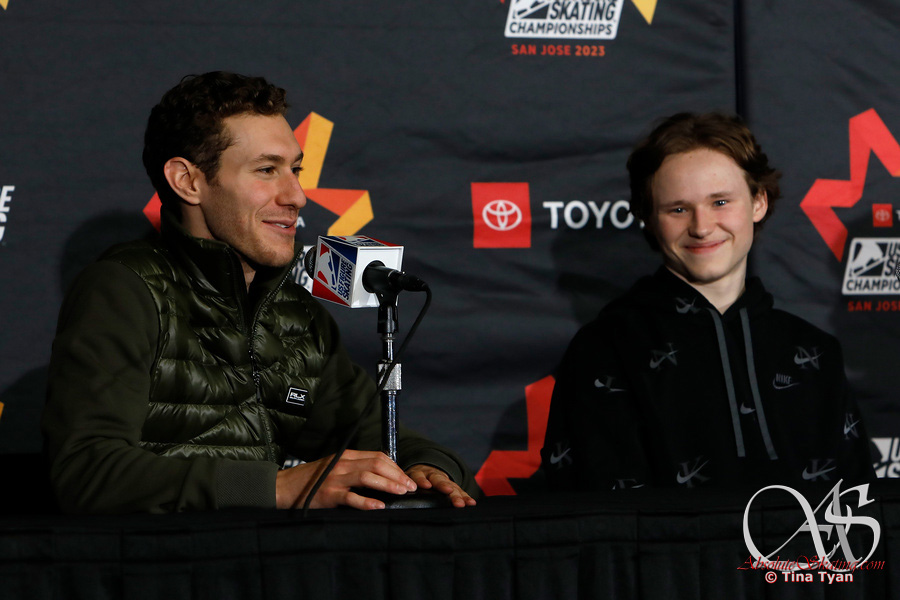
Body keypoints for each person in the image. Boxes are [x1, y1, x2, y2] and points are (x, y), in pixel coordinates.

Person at [42, 71, 478, 513]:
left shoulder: (294, 312)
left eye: (295, 170)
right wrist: (279, 487)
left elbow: (380, 438)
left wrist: (427, 470)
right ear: (187, 181)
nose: (297, 196)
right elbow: (86, 471)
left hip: (266, 555)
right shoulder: (124, 288)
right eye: (267, 170)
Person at [541, 112, 875, 491]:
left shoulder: (816, 351)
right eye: (678, 209)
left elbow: (856, 509)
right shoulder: (604, 350)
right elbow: (598, 516)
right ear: (649, 218)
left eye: (720, 202)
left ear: (758, 202)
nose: (701, 227)